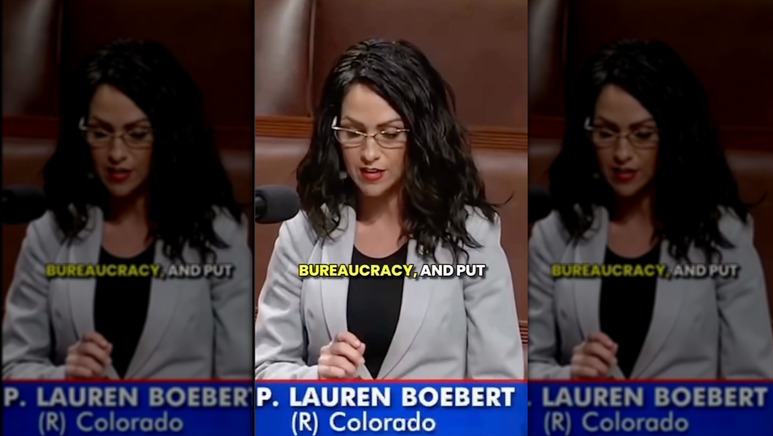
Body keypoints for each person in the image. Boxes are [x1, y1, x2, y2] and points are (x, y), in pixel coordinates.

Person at [254, 38, 524, 379]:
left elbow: (499, 383)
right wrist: (315, 381)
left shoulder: (471, 234)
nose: (369, 153)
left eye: (390, 134)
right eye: (353, 132)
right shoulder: (304, 231)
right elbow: (266, 368)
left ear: (421, 135)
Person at [2, 39, 252, 379]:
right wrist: (62, 379)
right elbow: (13, 366)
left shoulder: (217, 232)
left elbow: (238, 380)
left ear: (167, 135)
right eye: (101, 133)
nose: (116, 153)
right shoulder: (51, 231)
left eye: (136, 134)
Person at [528, 39, 773, 379]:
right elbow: (529, 367)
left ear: (673, 135)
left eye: (642, 134)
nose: (622, 153)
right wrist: (567, 379)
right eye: (606, 133)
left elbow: (751, 382)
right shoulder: (555, 234)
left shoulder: (722, 234)